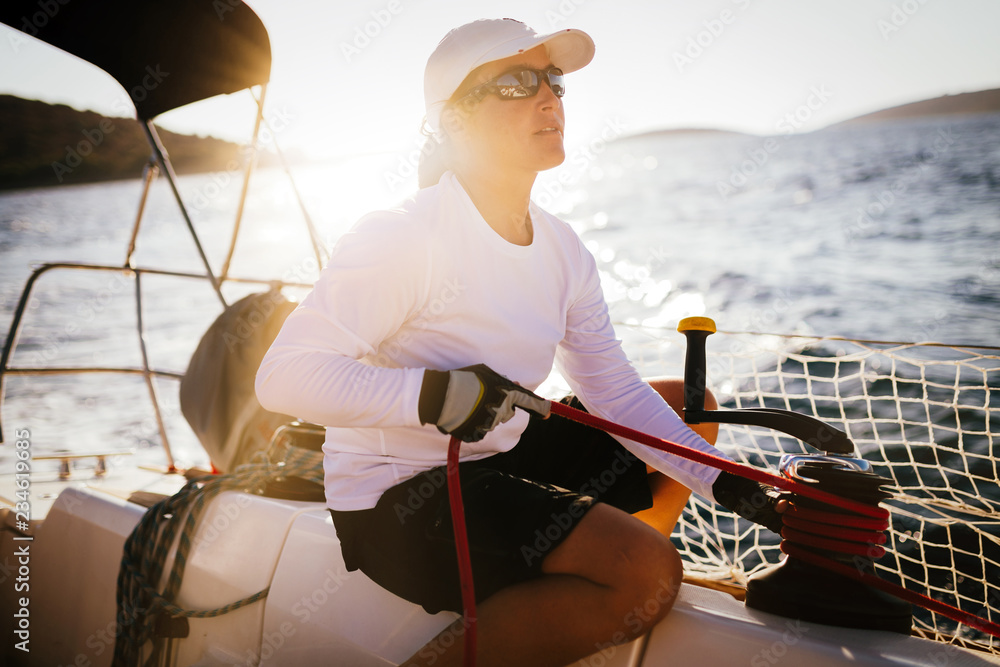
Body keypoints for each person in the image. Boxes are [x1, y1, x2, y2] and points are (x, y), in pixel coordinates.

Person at [255, 18, 780, 667]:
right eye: (517, 82)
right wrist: (433, 394)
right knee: (649, 572)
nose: (549, 98)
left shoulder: (562, 248)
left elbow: (613, 389)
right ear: (452, 121)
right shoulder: (403, 236)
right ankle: (612, 581)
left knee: (683, 406)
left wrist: (741, 490)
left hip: (502, 455)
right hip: (396, 498)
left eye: (554, 82)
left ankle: (578, 597)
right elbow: (282, 377)